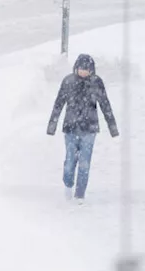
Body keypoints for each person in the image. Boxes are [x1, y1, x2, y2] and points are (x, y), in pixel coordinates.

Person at [46, 54, 119, 203]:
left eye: (87, 69)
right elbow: (58, 103)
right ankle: (68, 185)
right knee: (70, 161)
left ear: (91, 70)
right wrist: (52, 126)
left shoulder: (96, 83)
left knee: (85, 162)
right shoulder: (68, 81)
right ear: (76, 68)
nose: (84, 72)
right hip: (71, 129)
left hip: (89, 129)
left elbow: (105, 104)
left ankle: (80, 194)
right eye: (81, 69)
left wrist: (113, 128)